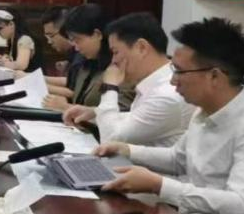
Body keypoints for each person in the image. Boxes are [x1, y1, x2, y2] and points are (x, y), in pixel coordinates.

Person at [96, 17, 244, 214]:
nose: (173, 81)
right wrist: (127, 150)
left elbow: (243, 206)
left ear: (214, 76)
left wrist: (158, 185)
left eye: (180, 71)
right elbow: (178, 159)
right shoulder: (204, 110)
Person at [62, 12, 193, 146]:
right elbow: (136, 120)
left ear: (141, 48)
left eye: (116, 52)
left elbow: (111, 141)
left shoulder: (166, 94)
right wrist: (95, 114)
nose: (113, 61)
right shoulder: (156, 83)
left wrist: (110, 87)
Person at [43, 3, 114, 111]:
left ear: (97, 34)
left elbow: (118, 115)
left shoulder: (120, 68)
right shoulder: (84, 65)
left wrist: (66, 107)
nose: (76, 48)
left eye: (77, 40)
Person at [0, 7, 41, 72]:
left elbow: (21, 65)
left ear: (11, 24)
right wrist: (4, 59)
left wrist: (3, 63)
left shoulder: (24, 39)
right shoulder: (10, 39)